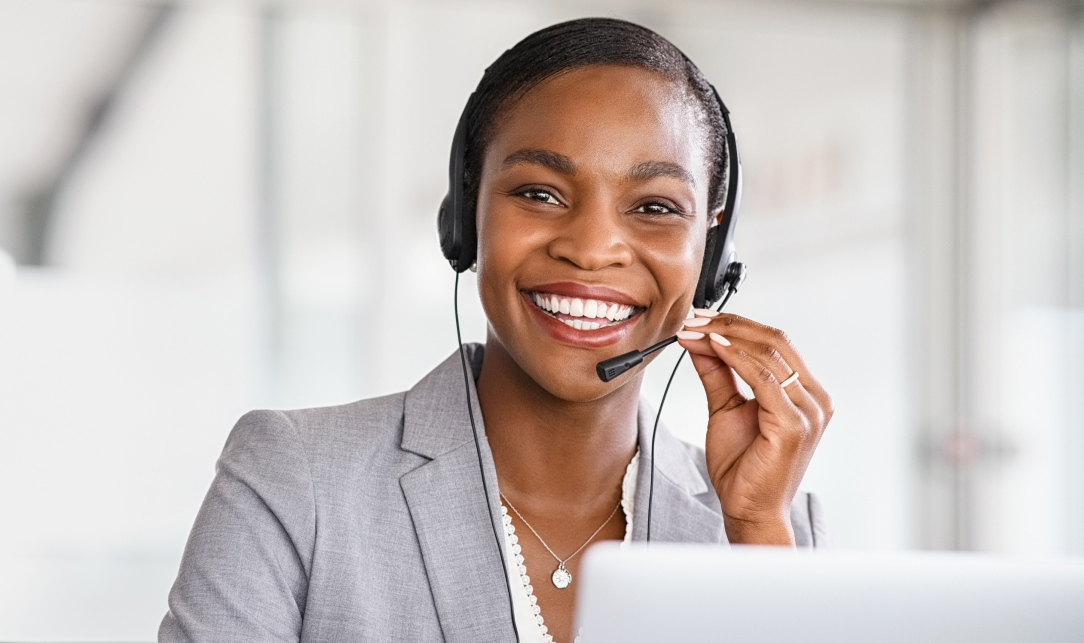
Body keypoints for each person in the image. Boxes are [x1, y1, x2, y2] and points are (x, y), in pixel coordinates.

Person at [159, 17, 833, 643]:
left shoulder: (778, 528)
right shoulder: (295, 479)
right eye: (539, 193)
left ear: (711, 255)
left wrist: (754, 530)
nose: (593, 248)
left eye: (655, 206)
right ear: (464, 217)